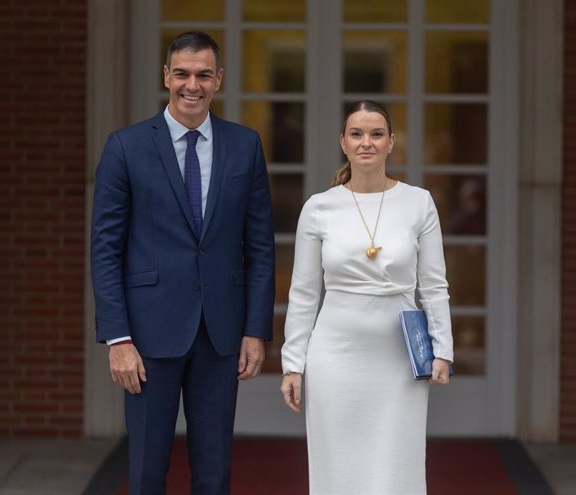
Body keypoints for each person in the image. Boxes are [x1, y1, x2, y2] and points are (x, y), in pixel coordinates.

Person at [91, 31, 275, 495]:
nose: (191, 85)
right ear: (166, 77)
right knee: (147, 473)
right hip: (147, 336)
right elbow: (105, 248)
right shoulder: (125, 146)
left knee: (214, 475)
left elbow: (259, 246)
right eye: (182, 74)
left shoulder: (245, 146)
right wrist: (118, 337)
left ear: (218, 80)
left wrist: (255, 329)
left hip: (221, 335)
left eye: (203, 75)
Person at [280, 100, 453, 494]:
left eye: (376, 134)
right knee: (337, 460)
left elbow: (434, 284)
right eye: (357, 134)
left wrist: (443, 348)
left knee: (397, 460)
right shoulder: (319, 207)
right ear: (343, 142)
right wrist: (293, 364)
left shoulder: (419, 202)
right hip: (336, 352)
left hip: (399, 352)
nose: (366, 143)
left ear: (391, 142)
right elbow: (304, 292)